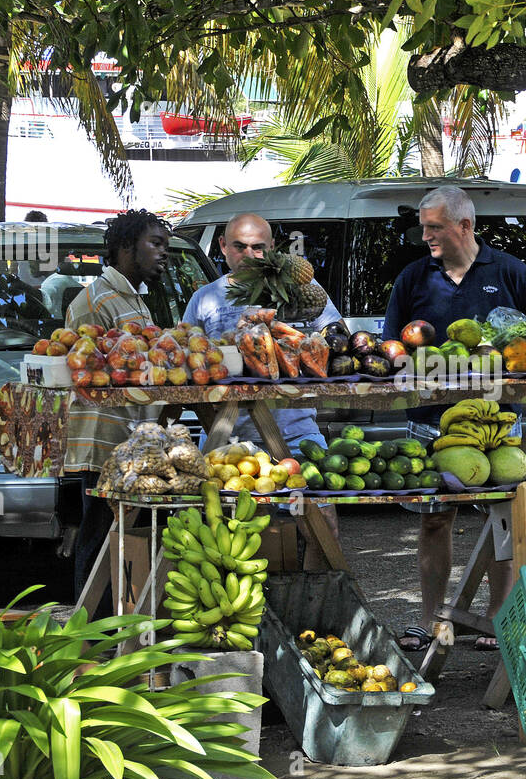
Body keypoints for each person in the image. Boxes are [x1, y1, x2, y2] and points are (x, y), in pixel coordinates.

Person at [383, 186, 526, 651]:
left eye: (434, 226)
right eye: (424, 225)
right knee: (434, 520)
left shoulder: (510, 273)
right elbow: (392, 346)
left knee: (501, 521)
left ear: (465, 226)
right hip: (431, 419)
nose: (425, 235)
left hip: (495, 419)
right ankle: (433, 620)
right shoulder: (414, 278)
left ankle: (497, 619)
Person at [183, 212, 343, 570]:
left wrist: (293, 333)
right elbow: (188, 361)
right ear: (223, 247)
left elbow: (337, 335)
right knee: (228, 536)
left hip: (298, 430)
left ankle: (315, 606)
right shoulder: (205, 300)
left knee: (323, 522)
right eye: (239, 247)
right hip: (230, 437)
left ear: (272, 248)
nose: (250, 255)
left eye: (259, 247)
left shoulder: (299, 291)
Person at [64, 209, 169, 600]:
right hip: (103, 441)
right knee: (97, 538)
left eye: (166, 247)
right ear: (126, 247)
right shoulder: (94, 302)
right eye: (155, 244)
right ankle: (91, 635)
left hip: (131, 439)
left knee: (123, 535)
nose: (164, 254)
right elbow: (86, 371)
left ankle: (119, 625)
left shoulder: (133, 299)